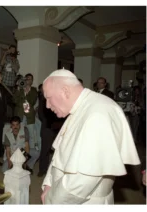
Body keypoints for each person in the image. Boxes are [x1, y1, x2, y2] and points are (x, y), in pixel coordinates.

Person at [40, 69, 140, 204]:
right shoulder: (80, 107)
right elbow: (59, 155)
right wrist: (49, 184)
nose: (47, 105)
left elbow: (81, 182)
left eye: (48, 98)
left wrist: (51, 200)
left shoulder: (98, 113)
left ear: (65, 91)